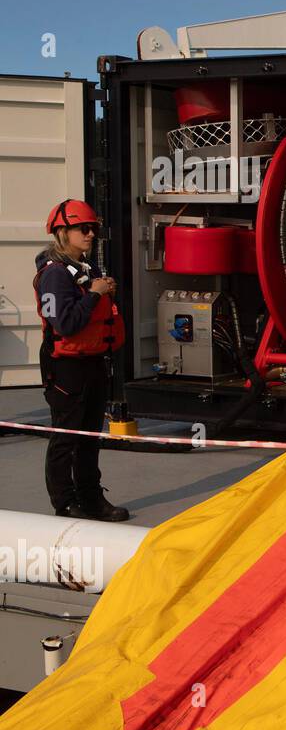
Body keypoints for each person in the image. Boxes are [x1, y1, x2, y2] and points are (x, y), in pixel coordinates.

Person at [32, 200, 129, 522]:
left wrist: (99, 290)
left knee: (89, 437)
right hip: (66, 366)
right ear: (62, 232)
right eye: (82, 229)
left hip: (92, 361)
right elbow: (66, 324)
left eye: (94, 229)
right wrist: (95, 295)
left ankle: (91, 499)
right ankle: (64, 503)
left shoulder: (87, 270)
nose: (90, 234)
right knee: (66, 437)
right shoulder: (55, 276)